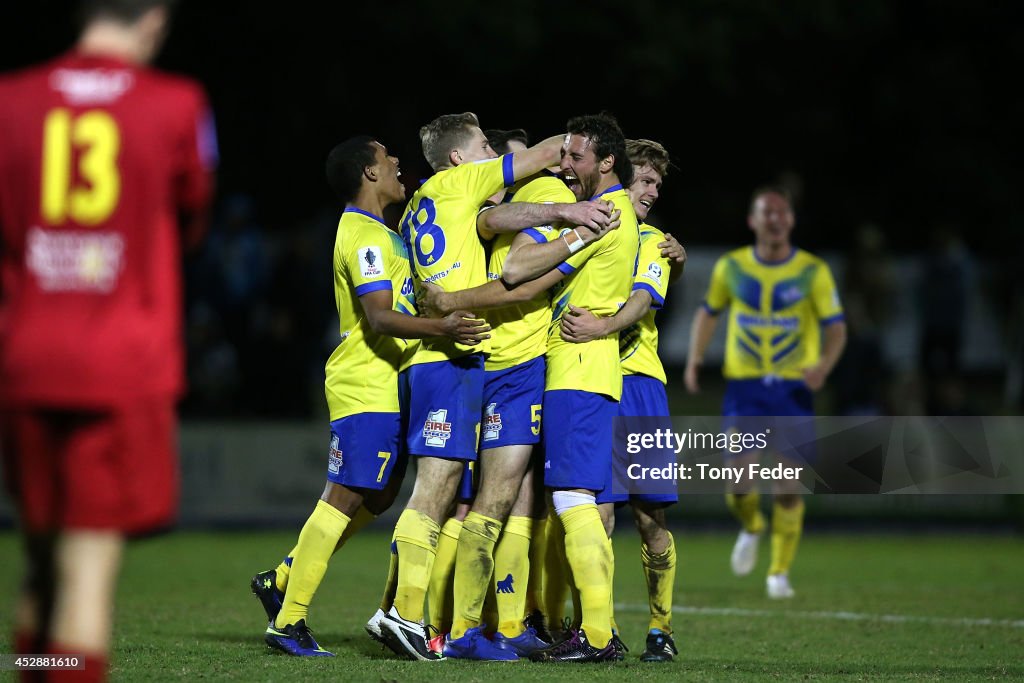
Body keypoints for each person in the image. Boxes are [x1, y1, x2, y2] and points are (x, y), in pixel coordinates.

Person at [0, 1, 216, 680]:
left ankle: (38, 664)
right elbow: (190, 217)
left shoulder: (10, 100)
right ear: (153, 17)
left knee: (41, 560)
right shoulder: (177, 102)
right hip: (120, 359)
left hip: (26, 355)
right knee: (87, 566)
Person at [376, 112, 617, 661]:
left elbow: (491, 222)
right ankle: (418, 617)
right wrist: (574, 201)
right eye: (487, 148)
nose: (496, 158)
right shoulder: (478, 184)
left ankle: (459, 625)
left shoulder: (430, 204)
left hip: (460, 355)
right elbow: (516, 272)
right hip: (481, 356)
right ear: (462, 159)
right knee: (472, 497)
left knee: (472, 499)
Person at [251, 137, 489, 656]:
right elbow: (379, 315)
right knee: (343, 495)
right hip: (365, 384)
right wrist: (442, 326)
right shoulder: (362, 236)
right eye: (388, 158)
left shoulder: (383, 233)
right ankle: (287, 620)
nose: (398, 162)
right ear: (369, 173)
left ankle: (284, 577)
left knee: (379, 495)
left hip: (389, 384)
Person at [684, 186, 846, 599]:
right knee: (739, 480)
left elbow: (837, 327)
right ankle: (753, 526)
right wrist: (694, 360)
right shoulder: (732, 267)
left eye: (781, 213)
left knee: (788, 486)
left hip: (792, 391)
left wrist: (823, 367)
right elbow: (708, 314)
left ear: (790, 220)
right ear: (753, 221)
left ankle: (778, 573)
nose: (774, 219)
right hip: (746, 389)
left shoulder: (813, 271)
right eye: (765, 213)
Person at [558, 138, 683, 661]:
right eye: (647, 181)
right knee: (596, 512)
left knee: (651, 516)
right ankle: (599, 629)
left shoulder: (654, 241)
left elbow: (640, 301)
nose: (654, 192)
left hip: (639, 384)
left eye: (659, 184)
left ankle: (661, 627)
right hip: (589, 378)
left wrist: (601, 327)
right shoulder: (592, 227)